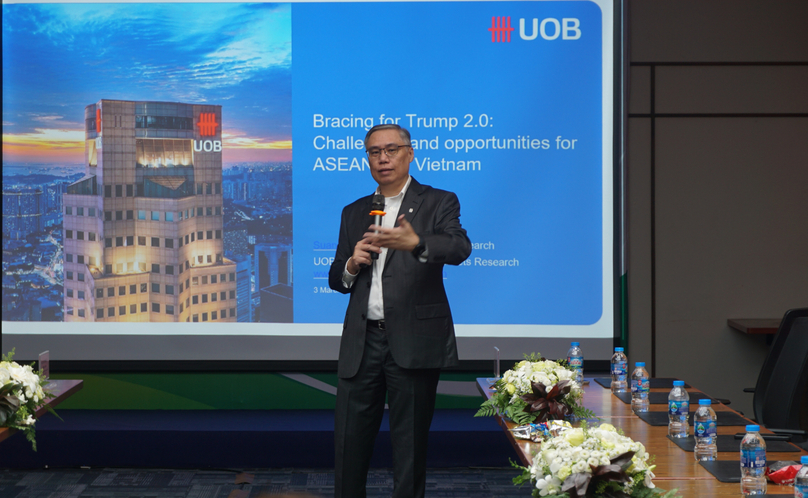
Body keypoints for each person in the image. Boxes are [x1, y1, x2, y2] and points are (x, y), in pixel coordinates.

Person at [329, 123, 472, 498]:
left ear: (410, 153)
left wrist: (418, 241)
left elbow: (459, 248)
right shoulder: (354, 211)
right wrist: (351, 265)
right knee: (348, 444)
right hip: (362, 343)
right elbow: (336, 276)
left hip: (412, 341)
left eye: (391, 149)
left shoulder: (439, 201)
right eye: (375, 152)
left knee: (409, 450)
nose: (383, 158)